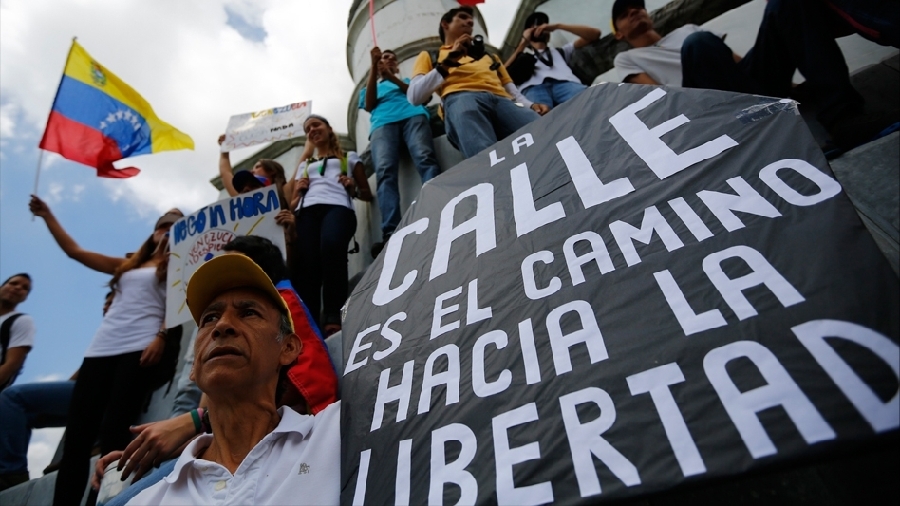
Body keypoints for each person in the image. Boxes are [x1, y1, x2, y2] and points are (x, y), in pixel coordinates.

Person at [123, 253, 341, 505]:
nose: (222, 326)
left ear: (289, 348)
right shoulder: (145, 501)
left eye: (248, 313)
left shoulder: (339, 432)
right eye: (209, 318)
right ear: (194, 367)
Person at [29, 195, 181, 506]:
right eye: (162, 225)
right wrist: (47, 216)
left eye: (175, 226)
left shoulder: (180, 265)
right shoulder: (127, 266)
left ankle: (99, 502)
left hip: (139, 349)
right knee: (78, 437)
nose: (167, 230)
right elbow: (77, 252)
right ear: (152, 232)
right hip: (101, 349)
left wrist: (161, 336)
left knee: (115, 432)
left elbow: (175, 304)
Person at [611, 0, 884, 151]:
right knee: (699, 43)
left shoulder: (687, 29)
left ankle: (843, 118)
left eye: (637, 6)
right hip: (703, 106)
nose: (634, 10)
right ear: (619, 34)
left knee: (785, 4)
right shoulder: (626, 58)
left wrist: (791, 88)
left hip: (743, 86)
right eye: (624, 14)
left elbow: (736, 63)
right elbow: (657, 98)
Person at [0, 291, 112, 492]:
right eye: (105, 303)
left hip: (105, 396)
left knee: (13, 397)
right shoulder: (106, 335)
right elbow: (84, 373)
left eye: (112, 302)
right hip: (87, 393)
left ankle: (11, 472)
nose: (105, 307)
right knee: (22, 412)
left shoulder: (133, 330)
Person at [407, 5, 550, 159]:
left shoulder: (491, 57)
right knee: (486, 157)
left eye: (471, 20)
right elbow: (414, 96)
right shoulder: (430, 55)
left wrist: (531, 105)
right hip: (461, 98)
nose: (469, 22)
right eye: (462, 17)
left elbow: (512, 91)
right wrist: (448, 63)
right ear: (445, 24)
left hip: (505, 101)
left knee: (544, 136)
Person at [289, 114, 372, 335]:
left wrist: (352, 186)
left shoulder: (349, 158)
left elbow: (366, 194)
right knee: (308, 265)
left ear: (328, 128)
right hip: (306, 212)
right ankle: (309, 322)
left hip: (338, 208)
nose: (312, 130)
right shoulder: (305, 165)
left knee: (332, 246)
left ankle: (334, 313)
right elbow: (292, 203)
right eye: (308, 129)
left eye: (316, 125)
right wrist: (298, 191)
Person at [361, 46, 441, 257]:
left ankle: (437, 207)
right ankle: (390, 231)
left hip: (413, 116)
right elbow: (369, 104)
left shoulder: (409, 81)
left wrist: (392, 78)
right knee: (385, 171)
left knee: (425, 157)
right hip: (383, 124)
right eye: (383, 58)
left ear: (396, 65)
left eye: (391, 58)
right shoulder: (371, 85)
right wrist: (373, 68)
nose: (387, 60)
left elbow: (420, 96)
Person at [504, 12, 601, 108]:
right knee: (540, 120)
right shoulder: (521, 57)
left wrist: (558, 26)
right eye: (533, 27)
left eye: (542, 25)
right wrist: (524, 42)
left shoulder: (561, 51)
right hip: (532, 88)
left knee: (591, 101)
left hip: (565, 83)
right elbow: (501, 73)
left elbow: (595, 34)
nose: (539, 28)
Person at [0, 273, 35, 392]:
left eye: (25, 288)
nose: (18, 287)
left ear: (25, 297)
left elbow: (12, 365)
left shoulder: (21, 321)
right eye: (13, 283)